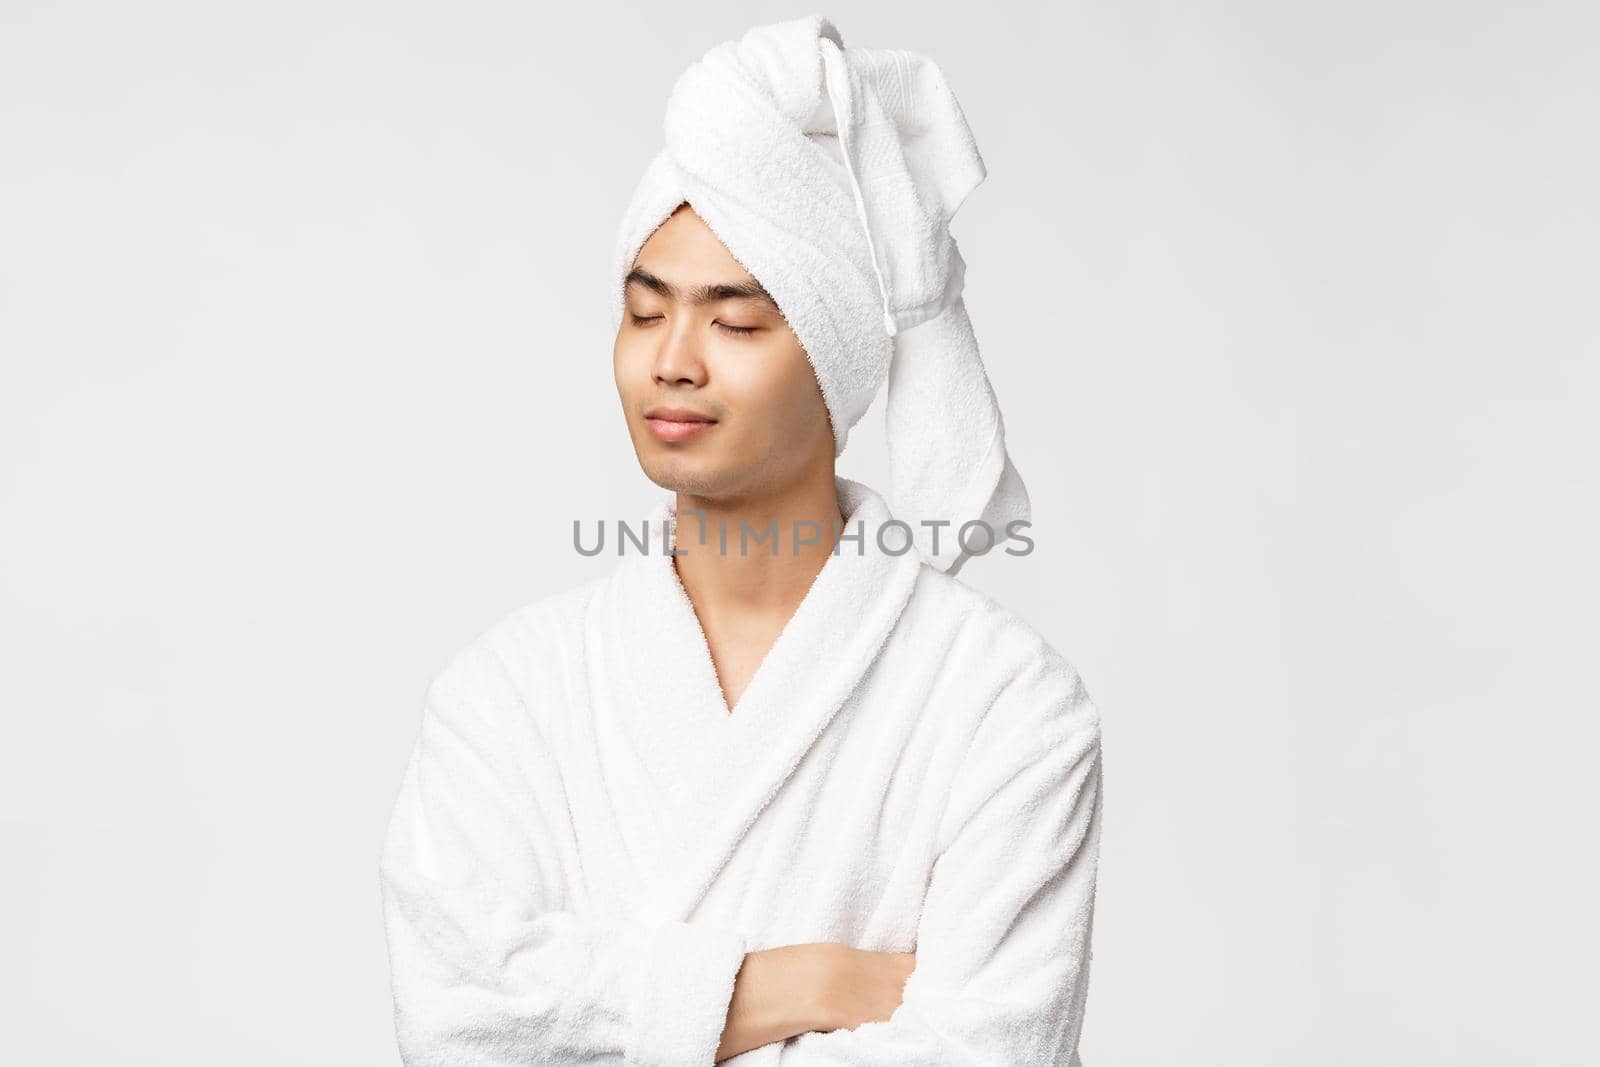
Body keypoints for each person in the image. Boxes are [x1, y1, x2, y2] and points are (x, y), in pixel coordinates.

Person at [379, 15, 1104, 1066]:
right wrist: (782, 984)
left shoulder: (1003, 705)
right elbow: (452, 1024)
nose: (673, 360)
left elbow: (992, 1052)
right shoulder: (505, 694)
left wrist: (608, 1020)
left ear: (836, 359)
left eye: (736, 321)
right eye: (643, 311)